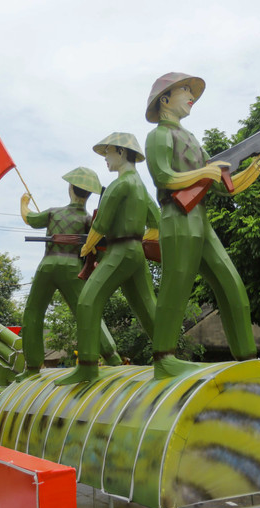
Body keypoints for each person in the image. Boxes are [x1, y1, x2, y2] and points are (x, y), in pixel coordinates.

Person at [145, 72, 260, 379]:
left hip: (200, 220)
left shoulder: (191, 139)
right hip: (176, 217)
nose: (191, 95)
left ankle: (246, 357)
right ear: (165, 100)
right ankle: (164, 357)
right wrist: (204, 173)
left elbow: (223, 185)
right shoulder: (159, 136)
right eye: (185, 90)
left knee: (231, 284)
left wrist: (259, 163)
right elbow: (163, 178)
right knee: (176, 286)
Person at [56, 133, 159, 385]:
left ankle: (88, 367)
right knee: (148, 307)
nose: (105, 159)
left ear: (122, 153)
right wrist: (140, 241)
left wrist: (86, 248)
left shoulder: (119, 184)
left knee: (87, 301)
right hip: (135, 251)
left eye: (108, 153)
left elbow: (99, 224)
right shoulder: (141, 187)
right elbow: (156, 222)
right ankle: (167, 356)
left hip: (118, 251)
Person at [18, 167, 122, 381]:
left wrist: (24, 202)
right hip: (73, 269)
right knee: (87, 312)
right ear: (89, 195)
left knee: (33, 313)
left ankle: (31, 367)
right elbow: (99, 245)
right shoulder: (88, 219)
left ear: (70, 189)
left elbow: (30, 218)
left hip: (47, 266)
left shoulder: (53, 212)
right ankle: (112, 357)